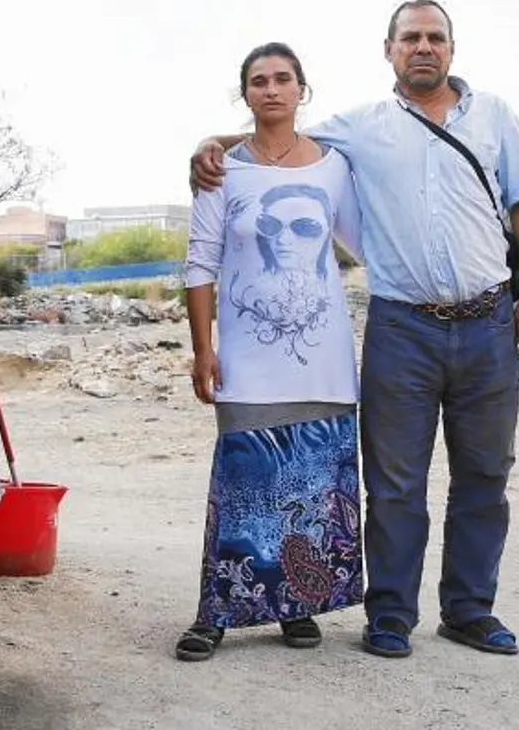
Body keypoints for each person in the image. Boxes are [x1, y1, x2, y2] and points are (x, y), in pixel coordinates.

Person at [189, 0, 519, 660]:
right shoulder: (357, 128)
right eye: (409, 37)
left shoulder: (497, 116)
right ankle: (391, 614)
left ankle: (470, 610)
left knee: (485, 473)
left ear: (452, 48)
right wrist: (208, 147)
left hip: (487, 322)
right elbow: (275, 131)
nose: (423, 47)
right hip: (402, 328)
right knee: (394, 481)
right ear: (388, 49)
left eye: (434, 37)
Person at [175, 42, 366, 662]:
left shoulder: (336, 167)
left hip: (324, 362)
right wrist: (202, 349)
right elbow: (200, 261)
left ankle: (296, 606)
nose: (272, 89)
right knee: (244, 485)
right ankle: (218, 613)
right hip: (247, 361)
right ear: (246, 94)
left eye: (283, 79)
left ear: (302, 90)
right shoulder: (220, 169)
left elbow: (371, 245)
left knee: (312, 489)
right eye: (259, 81)